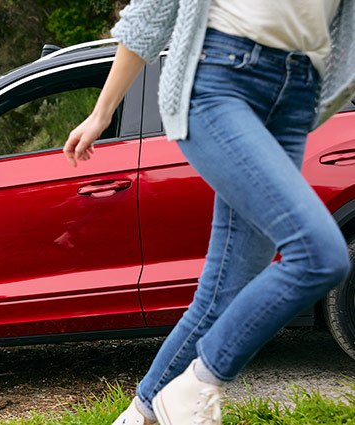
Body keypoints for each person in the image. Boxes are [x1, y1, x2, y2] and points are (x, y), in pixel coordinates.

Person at [63, 0, 355, 424]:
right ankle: (197, 383)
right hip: (221, 79)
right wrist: (101, 111)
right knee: (320, 255)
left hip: (295, 98)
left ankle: (140, 415)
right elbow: (152, 12)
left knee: (223, 296)